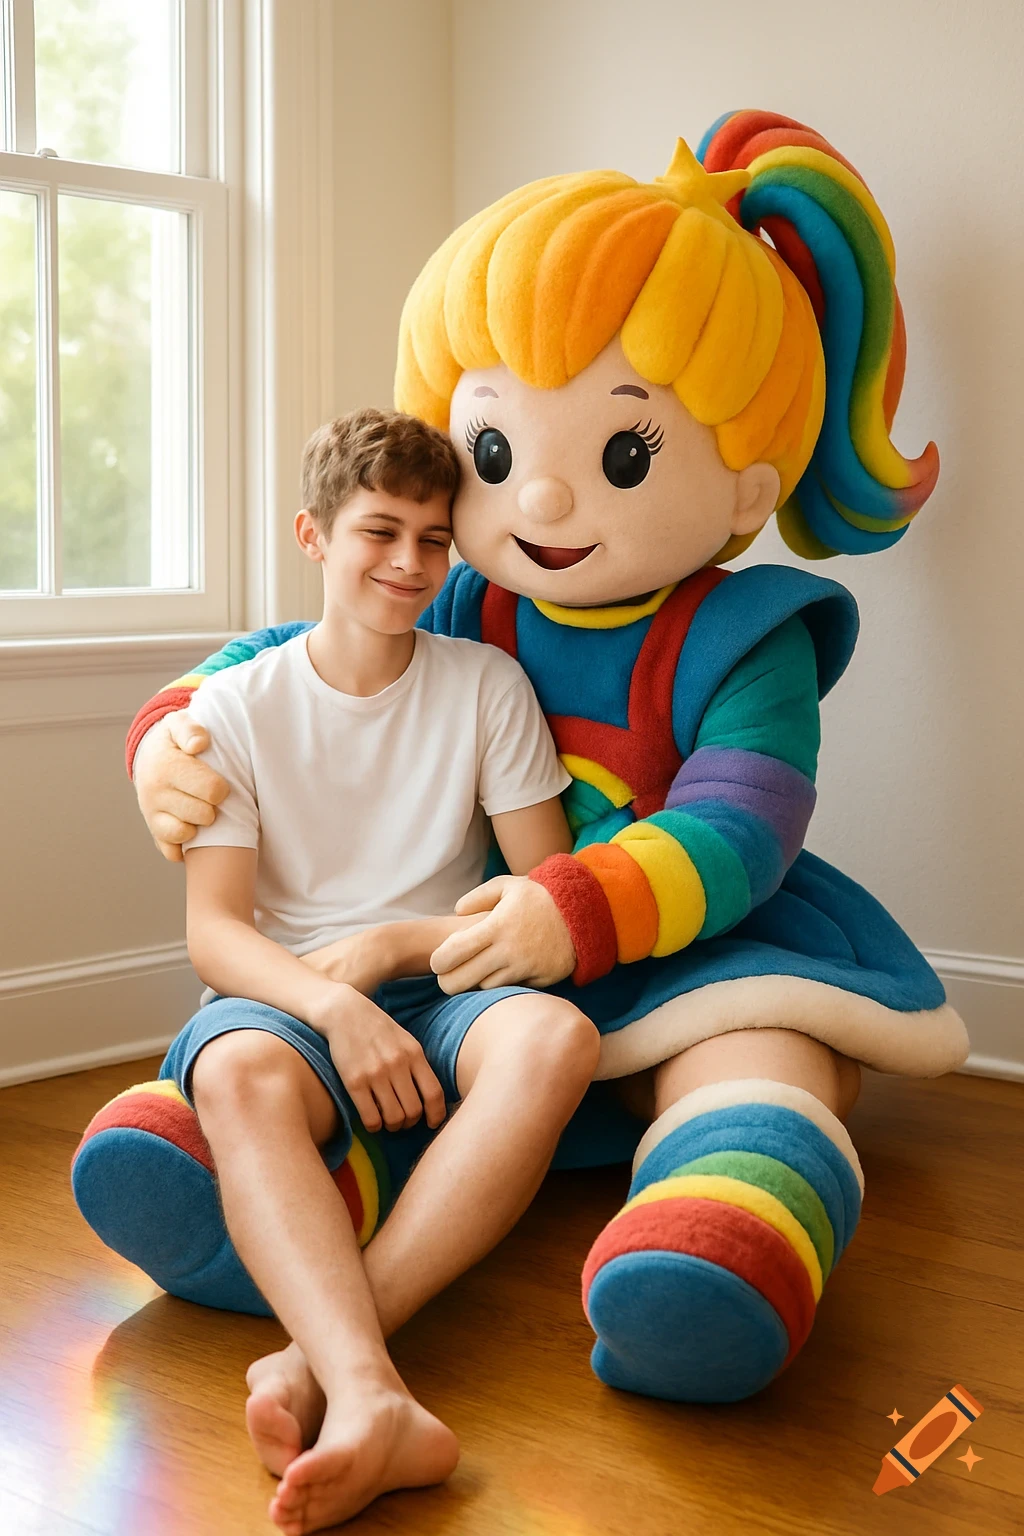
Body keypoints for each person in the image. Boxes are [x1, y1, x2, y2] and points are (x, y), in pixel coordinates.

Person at [75, 110, 969, 1444]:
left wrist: (568, 905)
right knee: (285, 1077)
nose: (537, 504)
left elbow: (743, 822)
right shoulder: (463, 601)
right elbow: (283, 662)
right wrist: (167, 737)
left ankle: (715, 1227)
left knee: (759, 1056)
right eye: (494, 458)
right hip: (478, 954)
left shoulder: (736, 636)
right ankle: (329, 1215)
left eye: (621, 455)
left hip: (674, 941)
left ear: (747, 491)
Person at [160, 406, 598, 1533]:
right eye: (380, 532)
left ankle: (328, 1367)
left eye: (433, 539)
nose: (410, 563)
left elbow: (539, 891)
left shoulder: (486, 684)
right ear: (314, 535)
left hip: (444, 976)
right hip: (287, 991)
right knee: (236, 1075)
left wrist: (398, 947)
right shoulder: (233, 709)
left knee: (557, 1037)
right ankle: (371, 1395)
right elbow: (217, 934)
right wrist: (332, 1004)